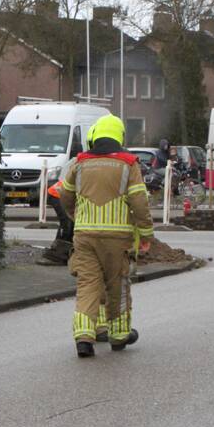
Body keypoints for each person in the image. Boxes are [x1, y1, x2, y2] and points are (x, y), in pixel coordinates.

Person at [60, 114, 154, 357]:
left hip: (85, 236)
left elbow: (65, 197)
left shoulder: (79, 164)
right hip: (117, 238)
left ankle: (83, 337)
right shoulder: (128, 164)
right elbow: (139, 202)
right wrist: (145, 234)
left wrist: (77, 218)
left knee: (87, 285)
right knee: (118, 285)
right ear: (119, 137)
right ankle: (119, 335)